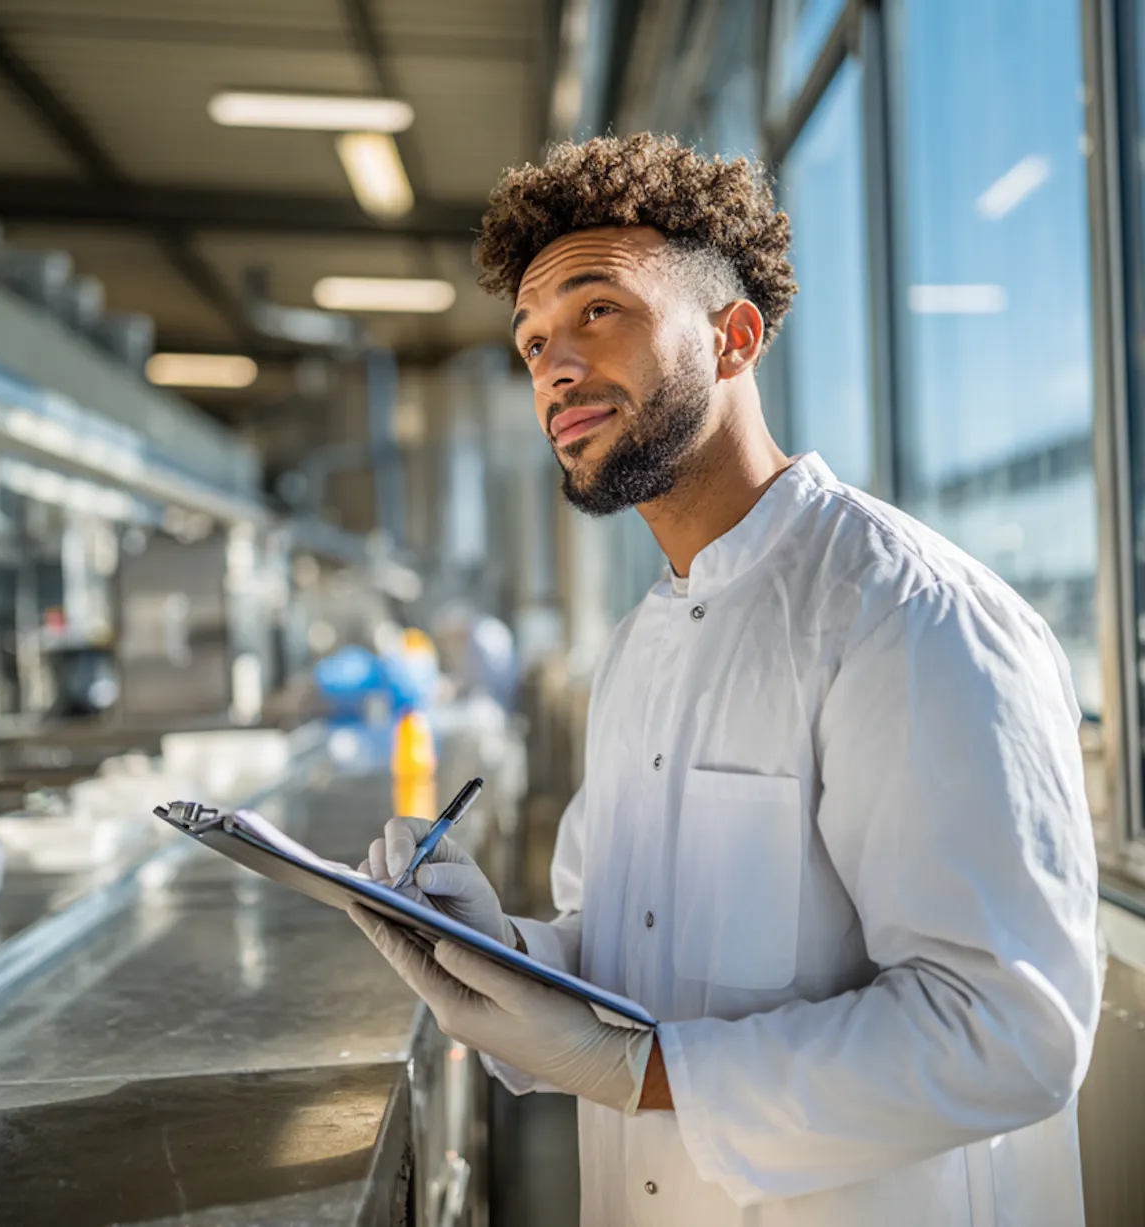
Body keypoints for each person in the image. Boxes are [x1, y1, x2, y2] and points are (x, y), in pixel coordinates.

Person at [350, 134, 1100, 1226]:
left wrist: (637, 1072)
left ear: (734, 337)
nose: (554, 367)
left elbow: (1005, 1033)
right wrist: (504, 951)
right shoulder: (640, 644)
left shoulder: (906, 614)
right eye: (532, 342)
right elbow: (630, 949)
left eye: (598, 311)